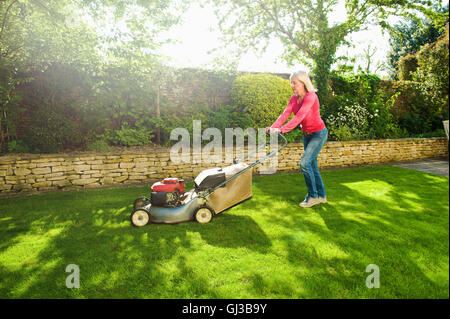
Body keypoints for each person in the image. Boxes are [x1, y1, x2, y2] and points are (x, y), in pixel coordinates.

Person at [266, 70, 328, 208]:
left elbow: (299, 116)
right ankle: (321, 196)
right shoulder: (293, 99)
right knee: (312, 166)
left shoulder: (311, 97)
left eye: (294, 82)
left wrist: (281, 130)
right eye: (291, 83)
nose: (292, 85)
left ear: (303, 82)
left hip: (319, 134)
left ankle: (313, 196)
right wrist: (273, 127)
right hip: (307, 134)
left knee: (304, 164)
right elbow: (285, 114)